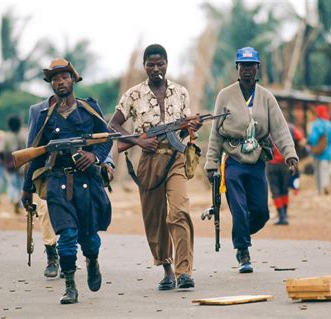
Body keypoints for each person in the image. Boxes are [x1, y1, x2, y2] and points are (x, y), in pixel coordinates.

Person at [109, 44, 201, 290]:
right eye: (151, 64)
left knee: (179, 211)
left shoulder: (180, 92)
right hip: (149, 161)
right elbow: (114, 124)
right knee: (154, 218)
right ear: (144, 66)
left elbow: (187, 124)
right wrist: (137, 140)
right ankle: (168, 270)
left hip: (175, 158)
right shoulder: (133, 94)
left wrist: (192, 126)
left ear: (167, 64)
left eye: (160, 64)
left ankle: (185, 272)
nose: (156, 69)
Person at [21, 58, 112, 304]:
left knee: (90, 239)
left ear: (73, 79)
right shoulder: (44, 115)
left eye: (64, 77)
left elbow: (107, 139)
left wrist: (94, 156)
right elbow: (34, 153)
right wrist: (27, 188)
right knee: (67, 235)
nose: (60, 82)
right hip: (57, 182)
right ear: (51, 84)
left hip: (87, 182)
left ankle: (92, 261)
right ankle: (70, 285)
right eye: (55, 79)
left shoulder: (89, 108)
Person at [204, 47, 299, 273]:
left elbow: (279, 128)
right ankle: (243, 251)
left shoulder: (266, 96)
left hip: (257, 161)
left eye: (251, 65)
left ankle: (241, 231)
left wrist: (290, 155)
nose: (247, 70)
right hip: (234, 161)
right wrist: (211, 164)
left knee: (261, 212)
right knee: (238, 207)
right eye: (243, 65)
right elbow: (216, 133)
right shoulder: (225, 95)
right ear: (237, 68)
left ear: (257, 68)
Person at [267, 123, 305, 225]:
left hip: (271, 163)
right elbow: (301, 140)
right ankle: (284, 213)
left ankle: (282, 215)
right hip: (286, 162)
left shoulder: (268, 127)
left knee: (275, 190)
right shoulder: (292, 128)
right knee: (284, 189)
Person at [307, 105, 331, 195]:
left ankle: (319, 190)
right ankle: (326, 185)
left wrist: (309, 145)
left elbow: (313, 138)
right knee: (325, 170)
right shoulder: (330, 124)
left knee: (317, 171)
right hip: (328, 152)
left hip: (317, 153)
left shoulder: (316, 124)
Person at [1, 116, 27, 214]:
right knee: (21, 184)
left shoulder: (6, 136)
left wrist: (4, 162)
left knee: (11, 183)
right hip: (23, 164)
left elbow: (2, 152)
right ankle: (20, 202)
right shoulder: (23, 135)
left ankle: (13, 199)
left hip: (10, 164)